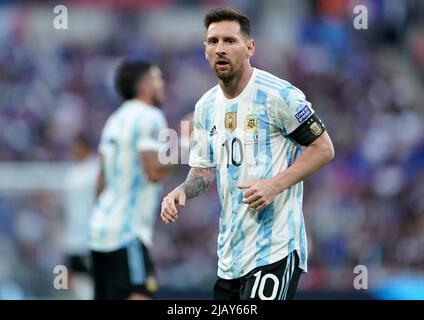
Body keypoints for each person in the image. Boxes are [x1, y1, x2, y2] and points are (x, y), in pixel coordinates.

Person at [161, 7, 335, 300]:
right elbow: (203, 172)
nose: (220, 49)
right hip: (230, 259)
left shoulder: (279, 95)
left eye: (230, 41)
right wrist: (181, 190)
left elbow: (324, 148)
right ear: (205, 50)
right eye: (213, 41)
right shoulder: (205, 107)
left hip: (275, 249)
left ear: (250, 47)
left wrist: (274, 185)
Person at [90, 60, 171, 300]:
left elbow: (100, 181)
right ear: (145, 86)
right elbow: (154, 171)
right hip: (127, 232)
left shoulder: (114, 119)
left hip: (100, 231)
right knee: (140, 294)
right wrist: (187, 145)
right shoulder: (150, 116)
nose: (162, 84)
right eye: (157, 79)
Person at [63, 134, 97, 300]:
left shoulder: (96, 169)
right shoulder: (72, 173)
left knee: (91, 279)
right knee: (67, 281)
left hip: (89, 237)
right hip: (73, 238)